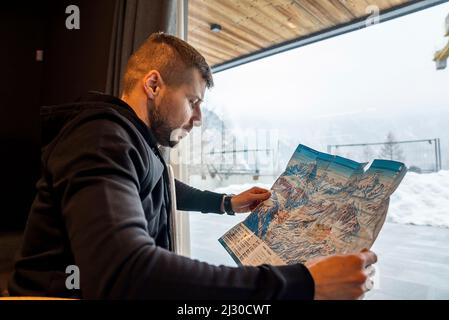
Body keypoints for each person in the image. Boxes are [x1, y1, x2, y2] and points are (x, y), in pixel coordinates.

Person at [9, 32, 377, 300]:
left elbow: (163, 189)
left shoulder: (132, 143)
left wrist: (226, 203)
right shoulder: (101, 138)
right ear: (153, 84)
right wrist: (303, 283)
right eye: (192, 101)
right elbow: (125, 273)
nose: (198, 117)